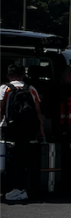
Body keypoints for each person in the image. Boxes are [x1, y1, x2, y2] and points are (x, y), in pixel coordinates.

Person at [2, 64, 46, 201]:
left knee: (9, 159)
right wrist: (41, 131)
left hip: (9, 128)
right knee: (23, 159)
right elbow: (38, 112)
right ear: (22, 75)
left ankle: (15, 189)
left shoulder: (5, 88)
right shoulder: (31, 89)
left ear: (8, 75)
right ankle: (23, 187)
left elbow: (0, 109)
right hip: (28, 130)